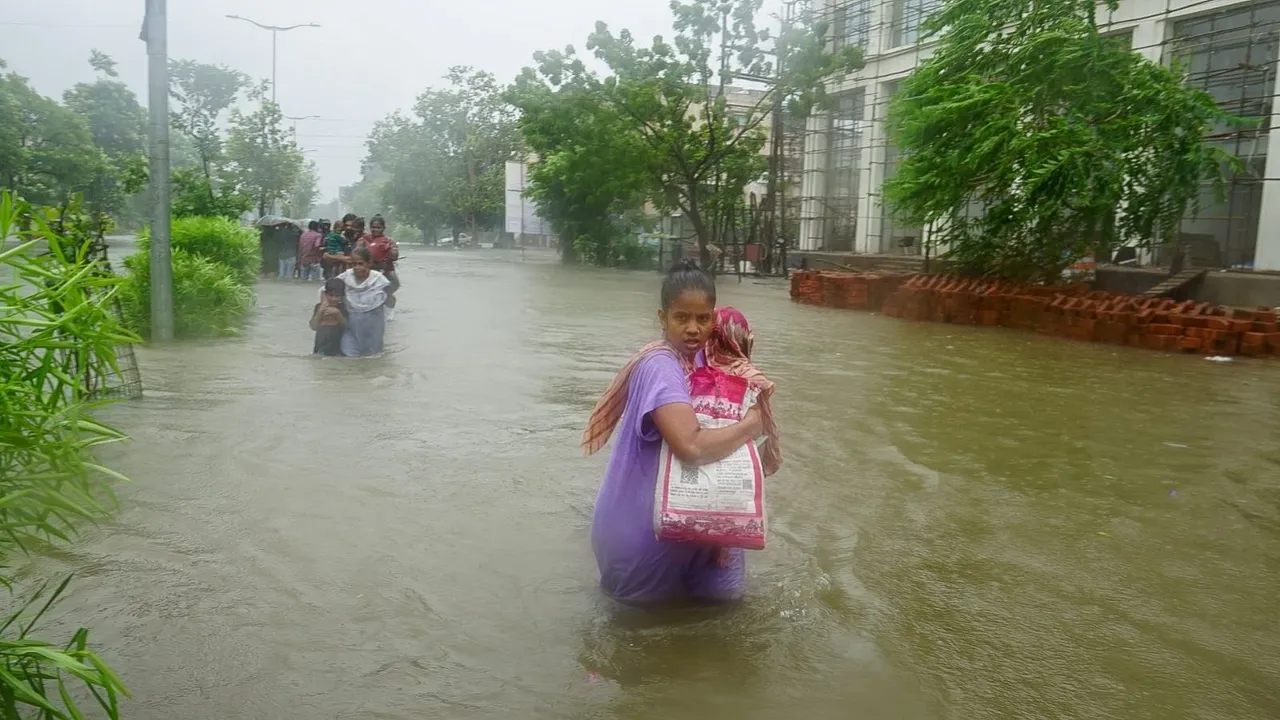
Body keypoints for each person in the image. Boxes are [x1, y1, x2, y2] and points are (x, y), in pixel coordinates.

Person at [582, 261, 763, 605]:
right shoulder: (661, 366)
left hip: (690, 526)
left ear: (713, 319)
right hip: (643, 534)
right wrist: (753, 423)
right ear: (662, 318)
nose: (693, 329)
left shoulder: (700, 361)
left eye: (703, 319)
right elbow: (692, 447)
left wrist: (722, 535)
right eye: (682, 318)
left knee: (719, 623)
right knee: (637, 638)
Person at [705, 307, 781, 476]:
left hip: (702, 463)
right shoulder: (753, 379)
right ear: (742, 339)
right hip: (737, 471)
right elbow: (765, 429)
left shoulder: (695, 371)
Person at [337, 247, 392, 357]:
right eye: (353, 264)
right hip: (352, 328)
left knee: (371, 358)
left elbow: (390, 300)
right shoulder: (346, 277)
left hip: (373, 328)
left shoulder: (379, 280)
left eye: (360, 263)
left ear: (369, 263)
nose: (357, 268)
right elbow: (326, 289)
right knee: (350, 357)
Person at [366, 215, 401, 320]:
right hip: (369, 272)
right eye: (373, 227)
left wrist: (391, 250)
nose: (375, 230)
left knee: (388, 293)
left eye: (378, 227)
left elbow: (395, 256)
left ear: (383, 228)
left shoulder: (389, 241)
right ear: (370, 227)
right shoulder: (364, 239)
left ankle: (389, 314)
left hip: (386, 271)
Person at [310, 277, 348, 356]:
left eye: (337, 296)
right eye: (331, 295)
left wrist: (338, 314)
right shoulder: (319, 307)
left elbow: (347, 326)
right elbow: (313, 326)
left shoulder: (342, 307)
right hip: (319, 348)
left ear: (342, 296)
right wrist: (320, 311)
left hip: (336, 350)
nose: (334, 299)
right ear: (325, 294)